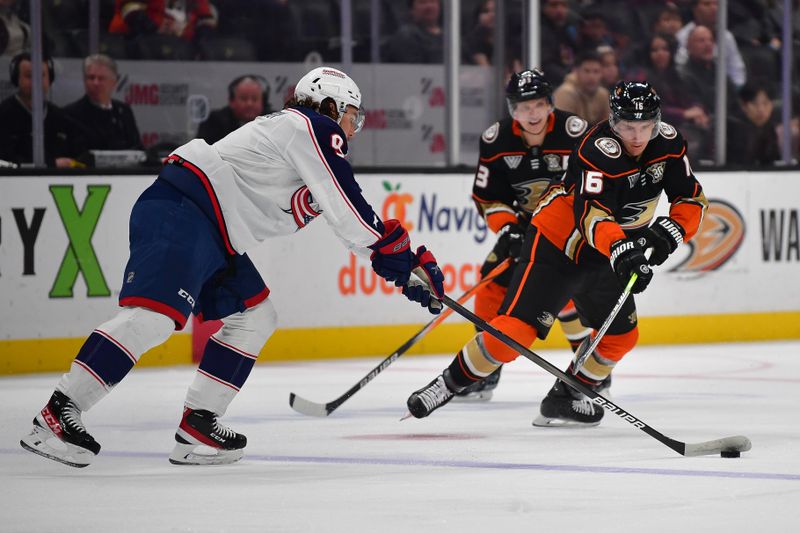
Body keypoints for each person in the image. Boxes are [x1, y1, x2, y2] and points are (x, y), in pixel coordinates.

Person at [19, 66, 446, 468]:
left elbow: (344, 220)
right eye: (352, 114)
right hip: (185, 210)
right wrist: (396, 250)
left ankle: (198, 426)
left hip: (215, 232)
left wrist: (403, 269)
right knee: (152, 318)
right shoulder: (309, 126)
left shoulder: (301, 147)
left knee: (256, 316)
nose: (354, 126)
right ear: (330, 106)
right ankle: (58, 412)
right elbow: (349, 205)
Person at [406, 81, 707, 427]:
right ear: (613, 122)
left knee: (622, 337)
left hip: (610, 249)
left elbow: (690, 198)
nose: (637, 137)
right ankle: (446, 384)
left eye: (645, 127)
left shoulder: (668, 142)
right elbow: (592, 214)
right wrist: (624, 248)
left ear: (656, 122)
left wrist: (670, 232)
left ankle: (565, 396)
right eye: (628, 127)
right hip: (559, 244)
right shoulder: (595, 149)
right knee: (514, 333)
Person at [454, 68, 591, 401]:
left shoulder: (575, 134)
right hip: (526, 229)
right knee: (489, 286)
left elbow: (596, 189)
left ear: (549, 105)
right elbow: (488, 198)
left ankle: (587, 368)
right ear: (512, 109)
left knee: (564, 292)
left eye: (538, 105)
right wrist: (509, 229)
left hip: (572, 229)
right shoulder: (496, 140)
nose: (532, 114)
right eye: (523, 107)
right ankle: (486, 369)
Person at [0, 52, 87, 168]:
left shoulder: (61, 118)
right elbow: (6, 162)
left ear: (50, 78)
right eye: (29, 76)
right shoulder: (3, 115)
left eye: (41, 75)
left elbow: (79, 157)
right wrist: (52, 164)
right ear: (16, 78)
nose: (36, 81)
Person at [64, 54, 143, 152]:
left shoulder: (123, 111)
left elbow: (138, 148)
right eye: (91, 78)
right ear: (84, 80)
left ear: (114, 82)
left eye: (101, 78)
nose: (95, 83)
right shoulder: (71, 114)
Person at [674, 0, 746, 89]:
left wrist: (735, 90)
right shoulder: (683, 36)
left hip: (723, 90)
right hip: (693, 87)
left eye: (716, 4)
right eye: (707, 4)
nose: (713, 8)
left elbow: (737, 70)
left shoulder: (726, 37)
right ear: (695, 9)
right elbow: (680, 65)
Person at [197, 75, 271, 144]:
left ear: (263, 102)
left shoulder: (273, 121)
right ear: (231, 102)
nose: (249, 104)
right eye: (244, 98)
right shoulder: (214, 122)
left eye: (254, 99)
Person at [727, 82, 780, 167]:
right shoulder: (732, 128)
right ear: (743, 105)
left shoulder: (770, 129)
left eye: (765, 103)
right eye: (755, 104)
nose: (761, 109)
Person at [553, 49, 610, 126]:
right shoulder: (565, 93)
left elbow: (609, 127)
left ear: (602, 73)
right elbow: (562, 129)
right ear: (576, 71)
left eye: (596, 71)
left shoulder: (603, 94)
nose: (591, 77)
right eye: (587, 71)